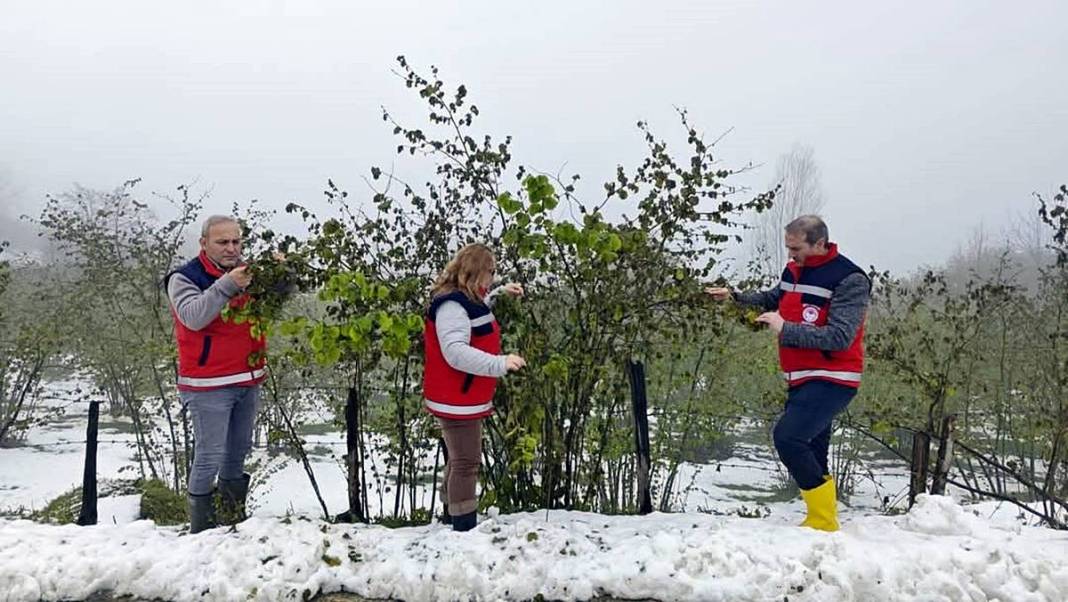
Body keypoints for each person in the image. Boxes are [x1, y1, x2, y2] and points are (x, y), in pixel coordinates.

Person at [707, 215, 870, 532]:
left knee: (788, 438)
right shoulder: (794, 270)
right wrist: (734, 298)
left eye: (796, 248)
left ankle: (822, 521)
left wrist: (785, 328)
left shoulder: (850, 279)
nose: (790, 255)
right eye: (788, 247)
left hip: (834, 377)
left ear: (819, 243)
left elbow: (840, 337)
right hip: (800, 376)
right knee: (814, 449)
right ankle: (822, 522)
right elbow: (773, 298)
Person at [165, 215, 265, 533]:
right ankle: (202, 529)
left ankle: (231, 521)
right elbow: (193, 317)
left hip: (246, 378)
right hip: (208, 384)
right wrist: (228, 285)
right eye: (223, 242)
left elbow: (276, 300)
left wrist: (282, 273)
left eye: (236, 241)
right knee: (209, 456)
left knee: (238, 451)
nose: (231, 248)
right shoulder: (184, 278)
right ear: (204, 243)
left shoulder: (247, 273)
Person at [422, 243, 526, 532]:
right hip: (456, 398)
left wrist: (500, 293)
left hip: (463, 396)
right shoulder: (452, 306)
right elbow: (455, 352)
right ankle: (463, 527)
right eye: (490, 272)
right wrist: (500, 363)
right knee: (467, 462)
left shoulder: (466, 299)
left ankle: (450, 516)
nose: (492, 278)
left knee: (459, 459)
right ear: (475, 270)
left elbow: (477, 317)